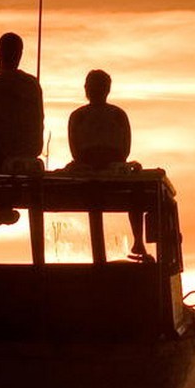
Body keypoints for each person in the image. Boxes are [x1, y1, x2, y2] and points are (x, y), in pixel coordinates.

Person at [66, 69, 149, 260]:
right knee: (134, 189)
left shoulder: (88, 116)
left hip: (108, 168)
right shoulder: (110, 115)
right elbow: (125, 148)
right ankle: (137, 240)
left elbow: (75, 149)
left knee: (135, 187)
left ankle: (138, 240)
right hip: (91, 169)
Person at [0, 32, 44, 226]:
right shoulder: (33, 84)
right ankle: (3, 204)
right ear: (20, 54)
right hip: (31, 152)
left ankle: (1, 203)